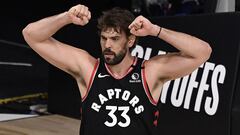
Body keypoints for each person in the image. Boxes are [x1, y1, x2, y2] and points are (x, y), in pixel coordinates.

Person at [22, 4, 212, 135]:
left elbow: (202, 52)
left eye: (114, 39)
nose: (107, 45)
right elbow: (31, 34)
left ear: (130, 41)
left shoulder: (150, 71)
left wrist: (156, 30)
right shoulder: (88, 68)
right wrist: (66, 17)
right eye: (104, 38)